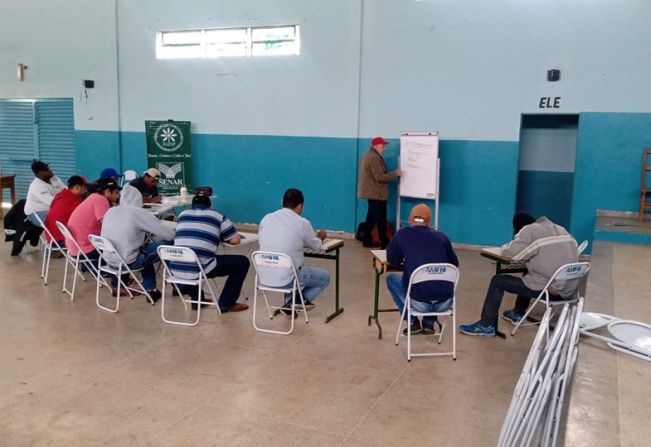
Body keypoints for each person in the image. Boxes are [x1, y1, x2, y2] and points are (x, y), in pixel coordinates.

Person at [459, 213, 579, 337]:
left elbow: (510, 254)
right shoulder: (560, 229)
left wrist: (510, 244)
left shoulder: (529, 231)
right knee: (528, 273)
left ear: (520, 229)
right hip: (571, 290)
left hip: (552, 290)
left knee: (497, 281)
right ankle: (518, 312)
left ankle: (486, 325)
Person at [386, 204, 459, 334]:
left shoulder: (401, 235)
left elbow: (392, 261)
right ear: (429, 221)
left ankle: (413, 322)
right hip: (445, 303)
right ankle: (429, 323)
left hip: (418, 303)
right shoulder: (442, 237)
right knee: (433, 282)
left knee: (392, 279)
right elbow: (454, 264)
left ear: (409, 219)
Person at [171, 195, 250, 312]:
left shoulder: (182, 215)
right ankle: (226, 303)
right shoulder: (218, 216)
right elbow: (235, 240)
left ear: (192, 206)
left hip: (176, 268)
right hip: (201, 268)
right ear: (210, 206)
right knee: (242, 262)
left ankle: (196, 299)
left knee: (193, 259)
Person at [258, 188, 330, 313]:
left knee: (291, 267)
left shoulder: (266, 218)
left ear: (282, 203)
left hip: (263, 276)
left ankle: (291, 302)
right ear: (300, 206)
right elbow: (316, 245)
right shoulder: (302, 223)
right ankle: (293, 303)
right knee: (324, 278)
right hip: (288, 277)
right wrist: (321, 236)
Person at [100, 184, 175, 300]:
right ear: (138, 199)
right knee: (170, 244)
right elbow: (168, 234)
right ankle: (178, 286)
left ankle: (147, 287)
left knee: (145, 249)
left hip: (109, 261)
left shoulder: (110, 211)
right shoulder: (137, 213)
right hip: (128, 262)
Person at [357, 136, 401, 248]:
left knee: (371, 217)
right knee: (381, 218)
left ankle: (367, 240)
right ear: (375, 146)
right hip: (376, 193)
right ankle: (384, 242)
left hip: (370, 192)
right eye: (383, 146)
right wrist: (395, 174)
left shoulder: (367, 155)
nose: (384, 148)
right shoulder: (374, 158)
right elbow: (379, 177)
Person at [66, 177, 121, 265]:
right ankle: (118, 277)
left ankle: (93, 268)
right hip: (85, 250)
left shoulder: (93, 197)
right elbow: (109, 226)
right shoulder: (100, 200)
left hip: (75, 248)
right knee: (122, 248)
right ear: (107, 192)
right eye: (116, 193)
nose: (118, 196)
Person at [44, 175, 87, 245]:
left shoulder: (61, 194)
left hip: (51, 238)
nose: (85, 191)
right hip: (60, 240)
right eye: (85, 188)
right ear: (77, 187)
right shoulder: (73, 201)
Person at [24, 160, 66, 224]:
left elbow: (66, 192)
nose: (50, 170)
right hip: (37, 212)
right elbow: (52, 202)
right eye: (46, 170)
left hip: (52, 208)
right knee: (60, 219)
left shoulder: (55, 179)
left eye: (48, 168)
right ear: (39, 174)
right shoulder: (36, 186)